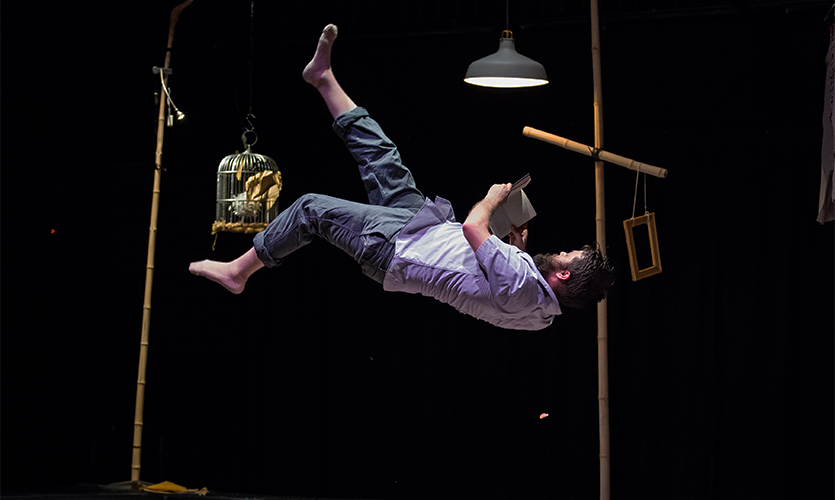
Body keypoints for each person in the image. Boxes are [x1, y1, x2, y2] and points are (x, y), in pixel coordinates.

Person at [189, 24, 614, 331]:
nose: (561, 252)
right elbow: (494, 284)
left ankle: (238, 271)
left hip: (398, 248)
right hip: (422, 227)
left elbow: (473, 227)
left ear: (563, 277)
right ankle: (323, 79)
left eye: (567, 257)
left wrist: (493, 198)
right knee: (380, 154)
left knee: (311, 208)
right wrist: (518, 246)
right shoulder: (539, 310)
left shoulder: (523, 283)